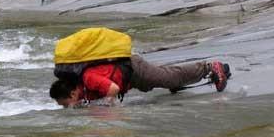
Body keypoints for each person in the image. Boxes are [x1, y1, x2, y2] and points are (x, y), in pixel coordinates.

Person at [49, 55, 230, 108]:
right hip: (131, 76)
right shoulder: (83, 89)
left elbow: (112, 88)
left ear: (72, 93)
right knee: (165, 78)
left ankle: (210, 67)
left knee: (168, 77)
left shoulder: (88, 79)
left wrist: (108, 107)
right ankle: (183, 80)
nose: (67, 107)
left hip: (134, 69)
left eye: (65, 104)